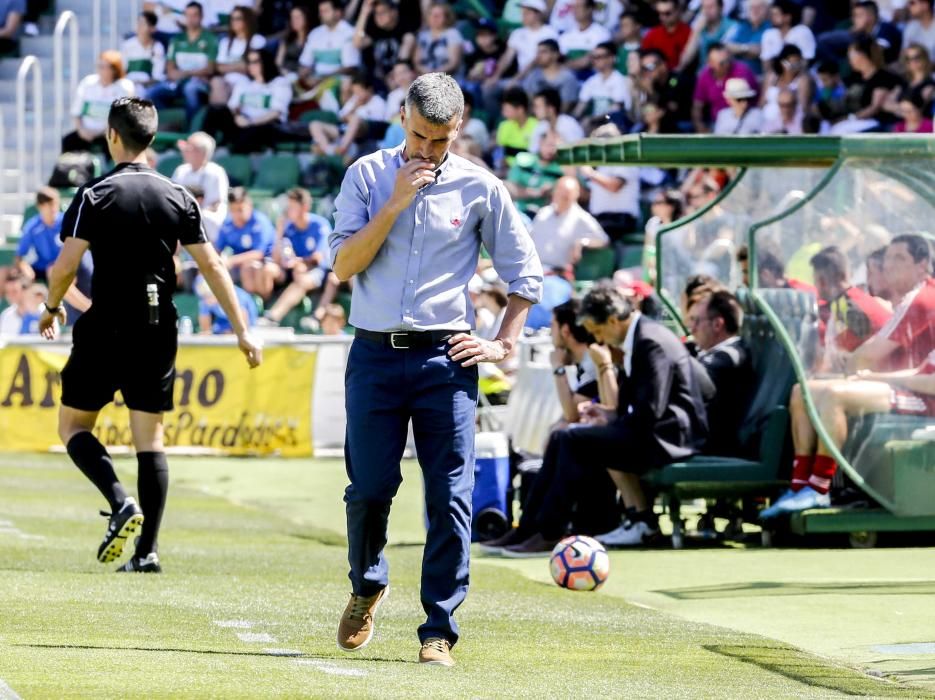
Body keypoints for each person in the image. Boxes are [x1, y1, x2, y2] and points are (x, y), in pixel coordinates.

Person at [329, 72, 542, 666]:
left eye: (441, 142)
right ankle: (367, 583)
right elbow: (344, 265)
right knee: (369, 489)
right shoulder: (366, 176)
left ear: (459, 128)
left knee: (451, 495)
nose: (428, 151)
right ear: (403, 117)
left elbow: (525, 273)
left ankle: (438, 629)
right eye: (421, 137)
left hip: (446, 358)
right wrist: (395, 201)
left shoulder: (481, 186)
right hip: (373, 353)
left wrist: (502, 344)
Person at [38, 97, 261, 574]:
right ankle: (148, 552)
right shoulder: (180, 196)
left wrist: (52, 306)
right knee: (150, 440)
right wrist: (243, 331)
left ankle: (120, 502)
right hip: (158, 326)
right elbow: (213, 266)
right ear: (152, 140)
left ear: (112, 136)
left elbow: (64, 266)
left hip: (105, 324)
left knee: (73, 427)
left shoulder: (94, 194)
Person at [501, 283, 708, 553]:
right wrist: (608, 415)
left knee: (571, 437)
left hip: (672, 437)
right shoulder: (642, 336)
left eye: (598, 331)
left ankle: (549, 531)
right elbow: (643, 407)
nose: (599, 340)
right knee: (565, 434)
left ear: (612, 320)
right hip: (658, 430)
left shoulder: (650, 341)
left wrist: (613, 423)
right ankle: (530, 528)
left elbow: (650, 410)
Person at [764, 234, 934, 516]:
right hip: (907, 385)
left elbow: (867, 355)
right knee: (802, 391)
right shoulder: (899, 299)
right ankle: (799, 484)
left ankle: (819, 488)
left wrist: (858, 374)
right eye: (887, 258)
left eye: (899, 258)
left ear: (923, 264)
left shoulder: (920, 298)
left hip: (923, 398)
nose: (888, 265)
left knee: (833, 394)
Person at [688, 289, 754, 456]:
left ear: (717, 324)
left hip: (711, 447)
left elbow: (690, 380)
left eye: (696, 321)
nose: (691, 329)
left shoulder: (728, 358)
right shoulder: (715, 353)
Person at [260, 188, 332, 326]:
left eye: (293, 207)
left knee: (302, 280)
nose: (288, 211)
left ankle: (273, 317)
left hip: (316, 272)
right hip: (293, 271)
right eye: (289, 207)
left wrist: (298, 262)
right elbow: (276, 259)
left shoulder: (320, 225)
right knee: (268, 268)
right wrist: (280, 231)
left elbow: (318, 258)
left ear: (305, 207)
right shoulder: (289, 227)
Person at [201, 48, 291, 153]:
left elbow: (276, 113)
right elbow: (233, 107)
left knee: (249, 136)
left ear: (266, 62)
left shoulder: (280, 83)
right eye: (249, 62)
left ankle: (234, 151)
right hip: (243, 122)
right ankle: (203, 148)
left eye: (255, 62)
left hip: (265, 126)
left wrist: (250, 122)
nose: (251, 66)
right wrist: (237, 116)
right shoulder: (244, 83)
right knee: (215, 110)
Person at [145, 1, 219, 124]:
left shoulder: (210, 39)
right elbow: (170, 71)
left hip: (199, 83)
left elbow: (210, 69)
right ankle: (168, 125)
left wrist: (183, 73)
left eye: (195, 15)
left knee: (190, 89)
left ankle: (191, 130)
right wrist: (192, 73)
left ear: (201, 17)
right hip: (177, 83)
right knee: (151, 93)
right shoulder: (177, 40)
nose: (191, 19)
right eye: (188, 15)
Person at [529, 176, 608, 276]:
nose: (562, 196)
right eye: (560, 192)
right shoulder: (544, 212)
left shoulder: (582, 218)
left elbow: (604, 240)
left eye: (567, 195)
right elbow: (529, 237)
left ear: (576, 195)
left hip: (557, 274)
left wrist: (582, 242)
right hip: (532, 269)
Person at [62, 51, 136, 154]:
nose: (101, 70)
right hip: (85, 132)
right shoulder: (88, 83)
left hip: (110, 134)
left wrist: (106, 131)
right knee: (68, 141)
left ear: (115, 69)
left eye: (105, 67)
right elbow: (76, 112)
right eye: (99, 66)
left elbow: (123, 116)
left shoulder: (124, 87)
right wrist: (82, 130)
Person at [216, 187, 279, 300]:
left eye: (240, 210)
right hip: (237, 266)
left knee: (248, 268)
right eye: (233, 210)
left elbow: (258, 253)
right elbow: (217, 249)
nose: (236, 215)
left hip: (267, 264)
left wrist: (230, 260)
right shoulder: (228, 224)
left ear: (249, 206)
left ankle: (259, 305)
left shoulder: (260, 222)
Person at [692, 42, 759, 133]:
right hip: (715, 123)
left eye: (728, 60)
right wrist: (700, 126)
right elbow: (697, 106)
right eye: (722, 63)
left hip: (743, 120)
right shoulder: (704, 75)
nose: (726, 64)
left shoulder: (742, 71)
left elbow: (749, 100)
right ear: (710, 63)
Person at [208, 5, 266, 106]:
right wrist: (239, 65)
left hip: (247, 82)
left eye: (238, 18)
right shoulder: (225, 42)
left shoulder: (257, 40)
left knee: (219, 88)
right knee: (216, 82)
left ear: (247, 20)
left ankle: (217, 116)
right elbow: (218, 67)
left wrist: (229, 66)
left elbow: (251, 67)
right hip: (225, 82)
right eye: (232, 19)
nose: (234, 22)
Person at [353, 0, 415, 89]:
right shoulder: (375, 31)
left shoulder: (405, 28)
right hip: (379, 81)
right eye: (376, 13)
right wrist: (364, 13)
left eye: (382, 12)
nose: (379, 17)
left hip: (401, 80)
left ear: (394, 12)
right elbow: (357, 43)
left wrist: (394, 75)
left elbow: (404, 55)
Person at [171, 131, 229, 214]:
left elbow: (217, 204)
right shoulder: (181, 170)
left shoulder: (216, 172)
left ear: (201, 152)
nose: (185, 151)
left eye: (189, 148)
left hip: (207, 219)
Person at [559, 0, 612, 79]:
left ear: (589, 9)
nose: (575, 10)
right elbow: (559, 61)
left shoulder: (602, 34)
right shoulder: (566, 36)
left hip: (594, 78)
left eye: (579, 7)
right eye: (574, 7)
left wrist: (569, 64)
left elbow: (590, 61)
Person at [122, 11, 167, 93]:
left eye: (143, 24)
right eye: (138, 23)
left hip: (148, 87)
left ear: (152, 28)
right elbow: (122, 70)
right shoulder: (127, 45)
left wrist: (141, 84)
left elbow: (157, 76)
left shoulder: (157, 47)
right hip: (128, 85)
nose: (139, 27)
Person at [413, 1, 463, 75]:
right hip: (425, 77)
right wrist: (425, 72)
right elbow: (417, 62)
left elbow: (453, 63)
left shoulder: (453, 33)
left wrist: (435, 73)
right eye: (432, 14)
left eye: (439, 15)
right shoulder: (422, 35)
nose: (434, 18)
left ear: (447, 18)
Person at [529, 88, 584, 153]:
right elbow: (532, 151)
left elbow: (578, 152)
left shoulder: (569, 125)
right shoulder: (541, 126)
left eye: (538, 107)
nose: (534, 110)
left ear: (551, 109)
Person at [641, 0, 692, 70]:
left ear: (677, 10)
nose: (662, 17)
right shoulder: (652, 34)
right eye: (660, 13)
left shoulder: (688, 33)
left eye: (667, 13)